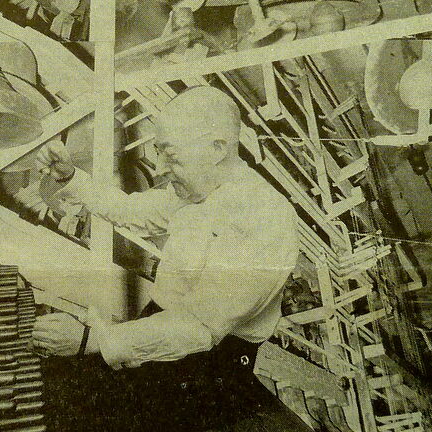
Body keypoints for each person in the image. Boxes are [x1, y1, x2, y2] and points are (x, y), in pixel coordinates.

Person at [32, 86, 312, 431]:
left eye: (172, 156)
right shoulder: (197, 189)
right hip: (163, 326)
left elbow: (198, 328)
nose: (161, 168)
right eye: (159, 152)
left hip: (207, 364)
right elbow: (130, 211)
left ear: (217, 149)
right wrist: (72, 178)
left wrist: (92, 341)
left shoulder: (263, 218)